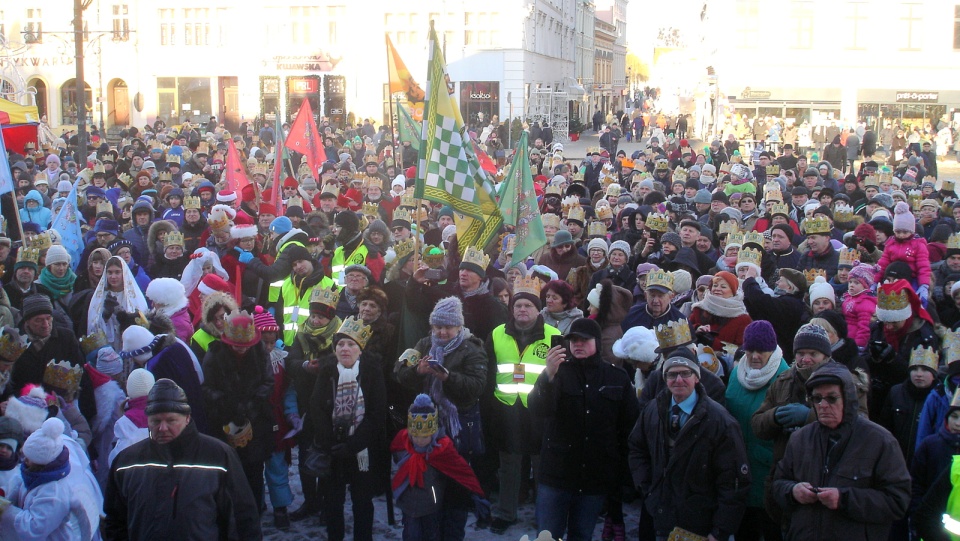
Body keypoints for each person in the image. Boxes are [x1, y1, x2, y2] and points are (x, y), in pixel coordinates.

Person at [104, 379, 261, 539]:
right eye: (156, 421)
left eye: (171, 420)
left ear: (187, 418)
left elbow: (243, 519)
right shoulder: (126, 462)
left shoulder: (218, 456)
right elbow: (115, 522)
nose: (162, 428)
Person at [772, 363, 911, 540]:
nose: (823, 405)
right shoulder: (800, 438)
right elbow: (777, 484)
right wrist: (792, 491)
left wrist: (844, 499)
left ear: (848, 398)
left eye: (832, 398)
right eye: (817, 398)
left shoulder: (880, 441)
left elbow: (898, 501)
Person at [529, 318, 639, 541]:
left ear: (597, 342)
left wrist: (623, 477)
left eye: (584, 340)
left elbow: (629, 428)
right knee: (548, 535)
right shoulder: (558, 373)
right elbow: (538, 410)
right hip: (557, 475)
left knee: (582, 534)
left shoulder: (617, 377)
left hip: (594, 476)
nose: (577, 344)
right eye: (573, 340)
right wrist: (547, 376)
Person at [630, 343, 751, 541]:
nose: (678, 380)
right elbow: (636, 448)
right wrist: (648, 488)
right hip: (660, 516)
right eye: (672, 374)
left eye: (685, 373)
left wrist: (720, 530)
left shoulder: (721, 421)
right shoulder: (652, 410)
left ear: (696, 377)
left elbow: (734, 482)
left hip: (700, 525)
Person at [485, 278, 560, 534]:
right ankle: (507, 513)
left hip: (540, 410)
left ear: (538, 310)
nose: (522, 310)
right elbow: (488, 373)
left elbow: (560, 378)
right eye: (518, 305)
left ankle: (545, 516)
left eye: (528, 305)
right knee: (509, 464)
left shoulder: (554, 336)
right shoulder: (496, 334)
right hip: (507, 408)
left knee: (542, 467)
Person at [308, 317, 386, 541]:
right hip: (332, 447)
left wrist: (353, 444)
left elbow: (376, 413)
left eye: (351, 344)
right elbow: (316, 408)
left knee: (362, 501)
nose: (345, 349)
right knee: (332, 501)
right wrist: (330, 442)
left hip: (361, 449)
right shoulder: (327, 370)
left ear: (360, 349)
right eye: (340, 344)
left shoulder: (372, 372)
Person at [201, 310, 275, 518]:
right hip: (224, 421)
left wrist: (251, 405)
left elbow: (268, 382)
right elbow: (207, 388)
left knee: (254, 470)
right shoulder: (214, 354)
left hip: (256, 420)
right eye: (237, 346)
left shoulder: (260, 352)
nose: (241, 350)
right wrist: (229, 405)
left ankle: (254, 511)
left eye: (245, 347)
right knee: (229, 470)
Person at [391, 394, 490, 541]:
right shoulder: (403, 445)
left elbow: (462, 472)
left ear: (433, 433)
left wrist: (476, 496)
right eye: (416, 436)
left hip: (432, 509)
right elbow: (394, 450)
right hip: (409, 509)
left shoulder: (441, 450)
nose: (420, 441)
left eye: (425, 436)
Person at [724, 321, 789, 541]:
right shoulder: (738, 373)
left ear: (772, 350)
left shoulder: (785, 377)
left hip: (768, 469)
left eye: (761, 351)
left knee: (770, 529)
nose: (754, 356)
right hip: (738, 467)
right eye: (750, 350)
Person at [0, 418, 103, 540]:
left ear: (40, 462)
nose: (25, 460)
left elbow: (34, 528)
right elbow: (19, 494)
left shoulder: (54, 493)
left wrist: (5, 509)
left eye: (28, 458)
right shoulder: (33, 475)